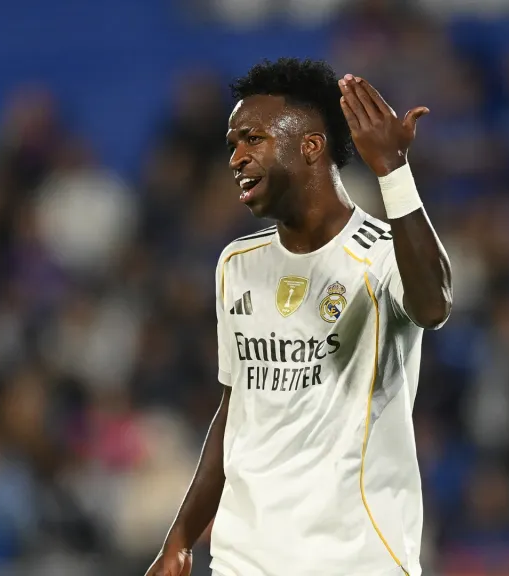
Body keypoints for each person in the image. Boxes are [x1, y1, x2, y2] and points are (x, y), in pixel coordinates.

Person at [144, 58, 452, 576]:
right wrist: (179, 538)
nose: (237, 158)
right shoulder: (236, 265)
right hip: (245, 559)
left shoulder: (380, 255)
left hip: (357, 559)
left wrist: (394, 173)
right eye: (232, 145)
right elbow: (235, 411)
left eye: (252, 139)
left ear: (310, 146)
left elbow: (434, 305)